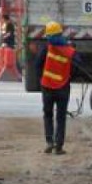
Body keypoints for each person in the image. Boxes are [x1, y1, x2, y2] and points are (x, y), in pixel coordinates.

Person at [35, 21, 74, 155]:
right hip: (63, 88)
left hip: (47, 87)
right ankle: (59, 146)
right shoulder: (69, 49)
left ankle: (49, 142)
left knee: (48, 114)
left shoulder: (46, 48)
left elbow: (37, 65)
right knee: (61, 117)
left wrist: (43, 79)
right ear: (60, 33)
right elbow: (77, 64)